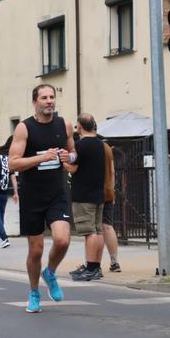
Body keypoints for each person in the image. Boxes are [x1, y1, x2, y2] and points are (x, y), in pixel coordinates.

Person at [8, 84, 75, 313]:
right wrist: (41, 158)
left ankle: (51, 272)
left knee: (62, 240)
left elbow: (73, 156)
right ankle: (34, 292)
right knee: (36, 250)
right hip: (32, 195)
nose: (49, 101)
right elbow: (13, 163)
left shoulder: (63, 124)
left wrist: (70, 156)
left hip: (56, 193)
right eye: (44, 98)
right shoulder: (24, 128)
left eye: (52, 97)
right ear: (35, 102)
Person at [67, 113, 106, 281]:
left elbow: (73, 169)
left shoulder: (80, 146)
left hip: (83, 195)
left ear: (80, 127)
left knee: (89, 232)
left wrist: (64, 163)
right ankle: (96, 266)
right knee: (97, 231)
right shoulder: (100, 145)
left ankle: (90, 268)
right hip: (98, 194)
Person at [101, 141, 121, 273]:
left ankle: (92, 263)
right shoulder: (108, 148)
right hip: (108, 191)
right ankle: (114, 262)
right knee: (108, 225)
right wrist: (112, 190)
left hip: (92, 192)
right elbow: (112, 172)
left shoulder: (89, 145)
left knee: (93, 230)